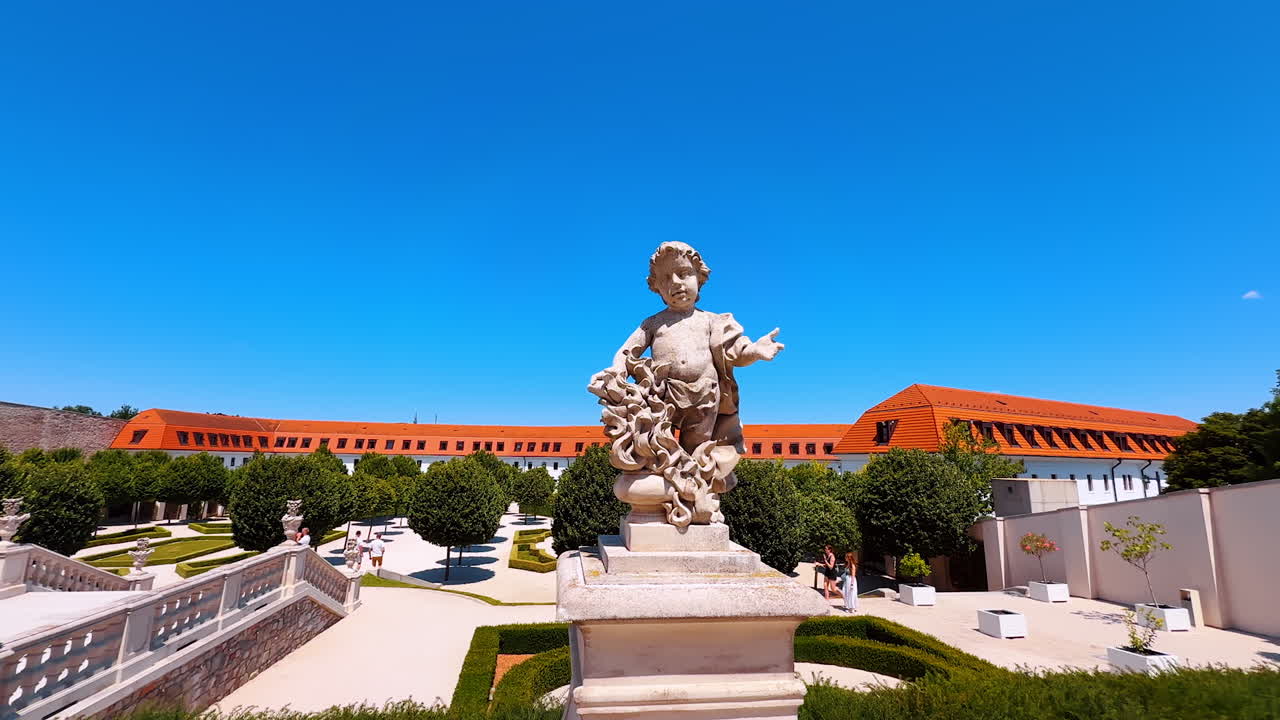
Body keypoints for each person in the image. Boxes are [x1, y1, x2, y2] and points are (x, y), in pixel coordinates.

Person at [590, 242, 785, 520]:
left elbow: (735, 350)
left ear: (700, 278)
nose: (676, 283)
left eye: (683, 273)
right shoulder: (653, 323)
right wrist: (616, 370)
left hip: (705, 395)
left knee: (698, 450)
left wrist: (754, 351)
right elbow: (626, 351)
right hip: (662, 396)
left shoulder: (713, 321)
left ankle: (696, 499)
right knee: (656, 443)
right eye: (666, 278)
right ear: (655, 286)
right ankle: (668, 493)